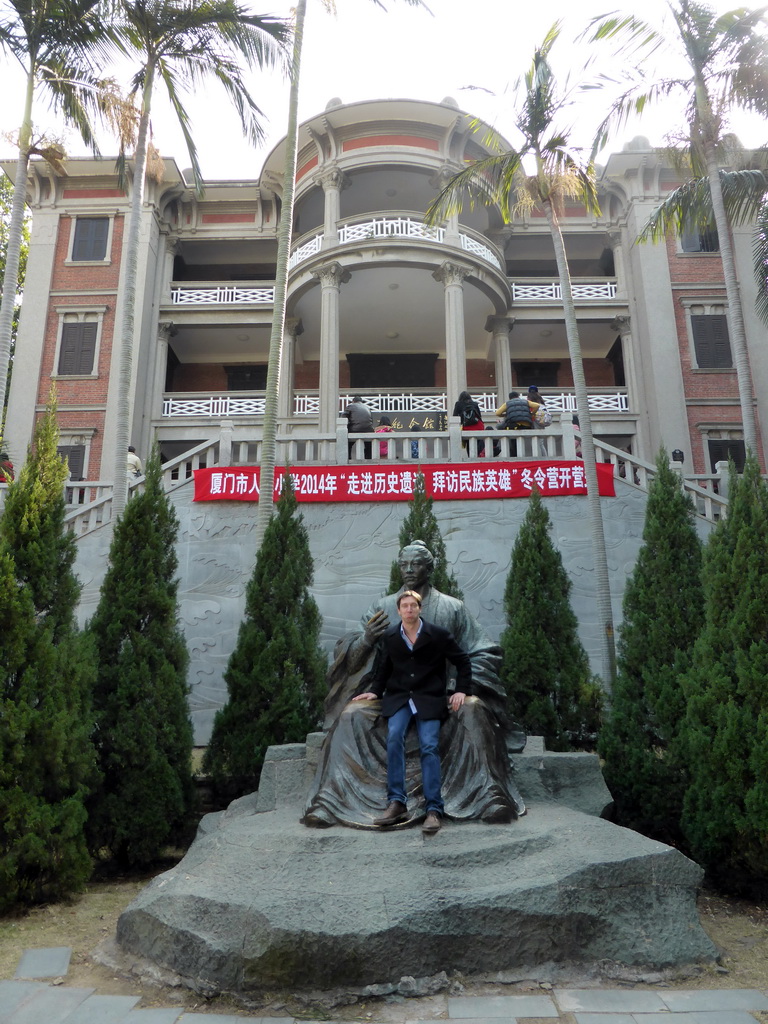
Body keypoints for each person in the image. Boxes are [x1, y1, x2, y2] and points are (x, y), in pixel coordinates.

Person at [303, 541, 525, 830]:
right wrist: (367, 639)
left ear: (429, 569)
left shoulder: (451, 608)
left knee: (472, 709)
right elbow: (361, 659)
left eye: (416, 564)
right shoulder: (381, 609)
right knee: (351, 715)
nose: (409, 570)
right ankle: (331, 801)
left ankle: (487, 796)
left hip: (437, 697)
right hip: (394, 697)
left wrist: (457, 687)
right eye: (404, 564)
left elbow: (481, 652)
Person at [352, 589, 471, 834]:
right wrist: (375, 691)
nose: (409, 610)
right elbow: (383, 669)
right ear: (399, 610)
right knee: (394, 737)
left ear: (419, 609)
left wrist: (461, 690)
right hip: (400, 699)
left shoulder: (437, 635)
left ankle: (433, 809)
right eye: (404, 606)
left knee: (429, 745)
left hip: (429, 698)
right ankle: (397, 803)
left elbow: (463, 661)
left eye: (413, 606)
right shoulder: (391, 636)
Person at [453, 391, 485, 457]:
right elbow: (479, 416)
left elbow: (455, 416)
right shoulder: (475, 404)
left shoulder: (458, 404)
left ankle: (470, 458)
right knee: (478, 444)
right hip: (478, 426)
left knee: (468, 443)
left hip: (467, 427)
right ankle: (478, 457)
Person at [343, 395, 374, 460]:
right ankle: (368, 459)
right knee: (368, 445)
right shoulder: (367, 407)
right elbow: (371, 420)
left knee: (348, 444)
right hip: (369, 429)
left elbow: (343, 417)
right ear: (361, 401)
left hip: (355, 429)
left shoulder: (350, 406)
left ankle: (348, 458)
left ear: (353, 401)